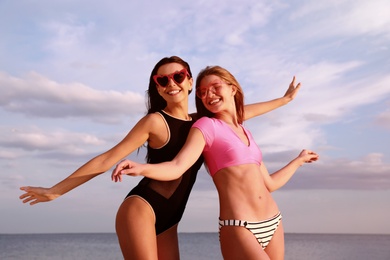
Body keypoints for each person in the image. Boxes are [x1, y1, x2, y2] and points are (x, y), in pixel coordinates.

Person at [19, 57, 301, 260]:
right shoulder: (156, 121)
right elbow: (107, 159)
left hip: (171, 220)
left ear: (190, 82)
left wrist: (284, 100)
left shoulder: (204, 122)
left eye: (178, 76)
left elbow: (241, 112)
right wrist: (55, 191)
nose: (171, 83)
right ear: (157, 87)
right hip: (142, 209)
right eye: (162, 80)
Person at [112, 65, 319, 260]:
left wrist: (298, 161)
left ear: (232, 88)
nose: (208, 95)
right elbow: (177, 166)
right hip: (239, 225)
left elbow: (270, 184)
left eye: (215, 88)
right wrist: (141, 168)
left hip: (273, 221)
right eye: (202, 92)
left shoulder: (245, 131)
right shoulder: (206, 127)